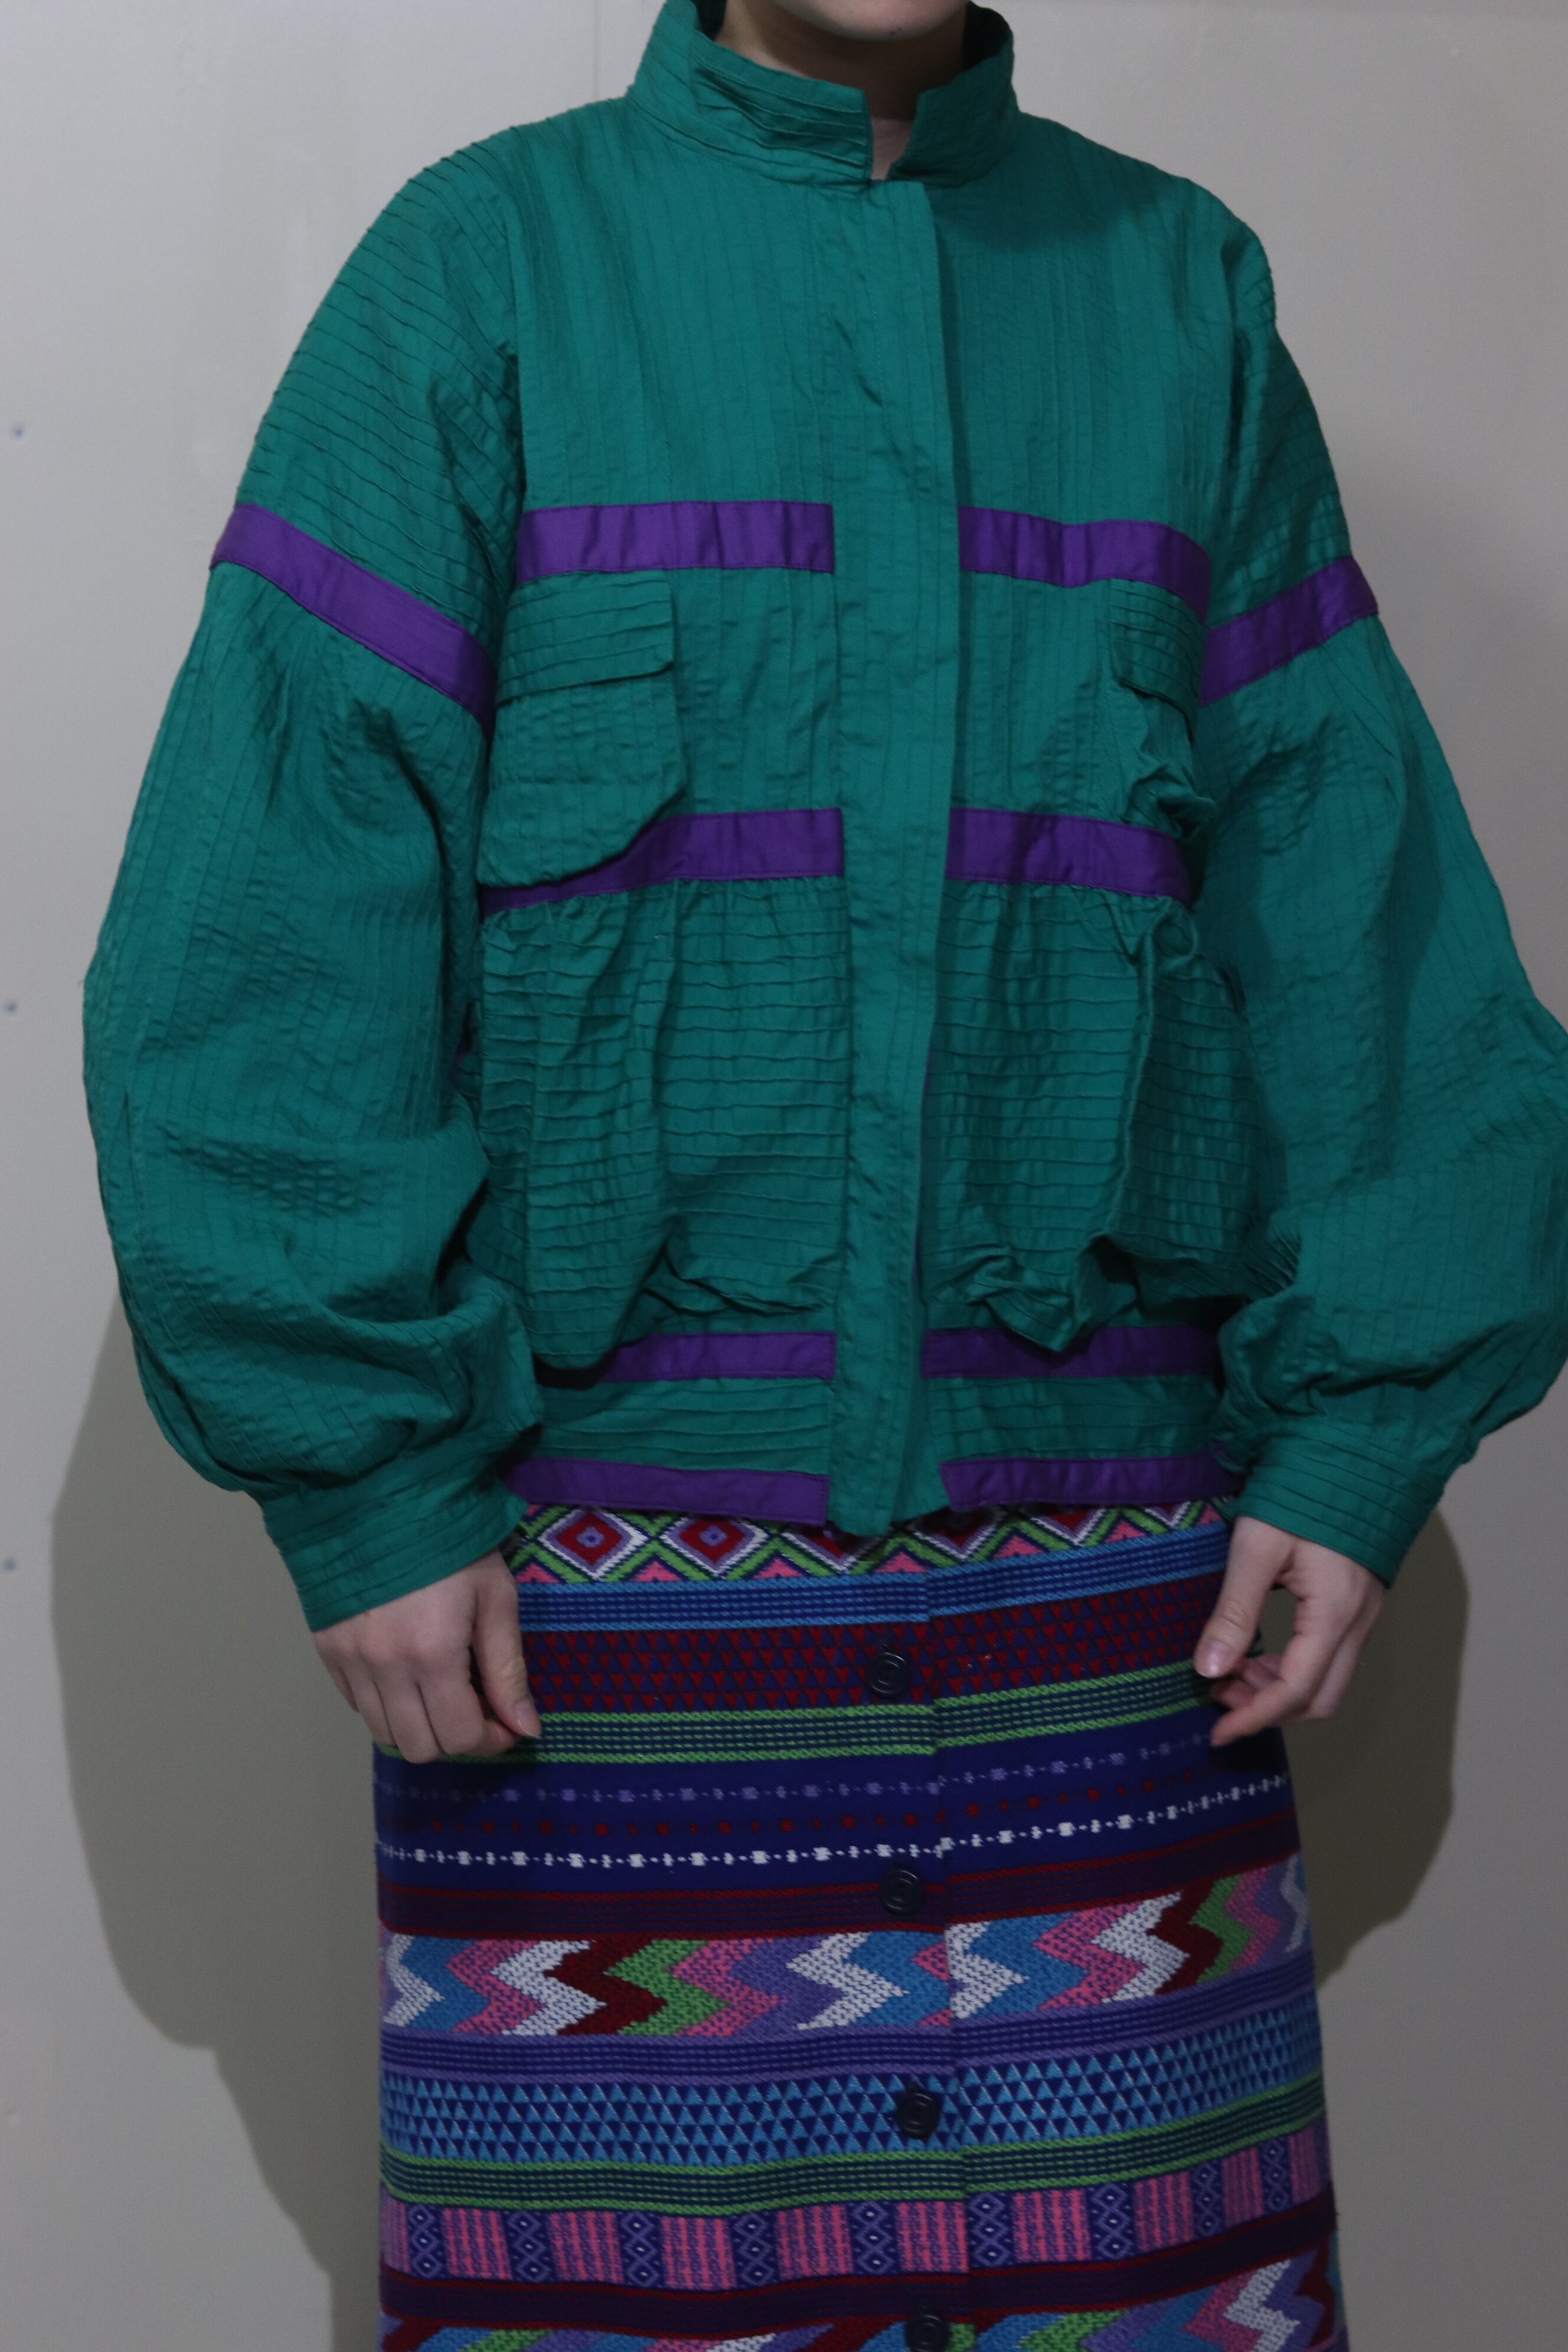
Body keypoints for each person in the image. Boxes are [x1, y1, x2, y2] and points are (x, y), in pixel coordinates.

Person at [84, 2, 1568, 2346]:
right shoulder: (481, 274)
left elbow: (1341, 890)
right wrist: (364, 1473)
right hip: (585, 1634)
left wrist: (1367, 1424)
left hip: (1114, 1623)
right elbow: (274, 900)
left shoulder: (1177, 295)